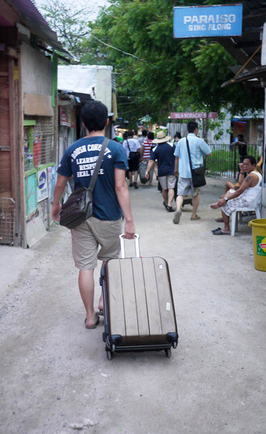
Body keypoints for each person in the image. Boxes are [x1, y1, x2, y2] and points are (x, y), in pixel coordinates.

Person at [52, 101, 135, 329]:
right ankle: (102, 301)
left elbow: (60, 182)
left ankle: (90, 316)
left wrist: (56, 205)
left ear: (84, 123)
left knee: (85, 268)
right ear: (107, 122)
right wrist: (129, 220)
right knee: (109, 261)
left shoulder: (72, 149)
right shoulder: (116, 149)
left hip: (80, 216)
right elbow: (121, 186)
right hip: (109, 216)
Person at [210, 156, 262, 235]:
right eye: (243, 164)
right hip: (250, 200)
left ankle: (226, 228)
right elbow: (240, 184)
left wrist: (225, 199)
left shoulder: (251, 176)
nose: (245, 166)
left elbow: (240, 190)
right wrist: (241, 171)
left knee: (224, 203)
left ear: (254, 165)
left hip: (248, 202)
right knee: (227, 195)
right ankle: (220, 205)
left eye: (247, 164)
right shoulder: (253, 174)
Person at [173, 121, 211, 224]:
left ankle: (178, 209)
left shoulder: (181, 141)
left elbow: (176, 157)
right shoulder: (199, 141)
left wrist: (176, 169)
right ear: (196, 130)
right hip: (195, 173)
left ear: (187, 130)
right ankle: (193, 215)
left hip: (183, 172)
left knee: (180, 194)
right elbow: (209, 153)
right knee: (195, 194)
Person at [145, 131, 176, 212]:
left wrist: (147, 171)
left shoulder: (155, 149)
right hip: (171, 170)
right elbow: (177, 157)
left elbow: (151, 161)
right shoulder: (172, 146)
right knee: (171, 188)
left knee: (164, 189)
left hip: (161, 171)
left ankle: (166, 203)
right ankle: (169, 205)